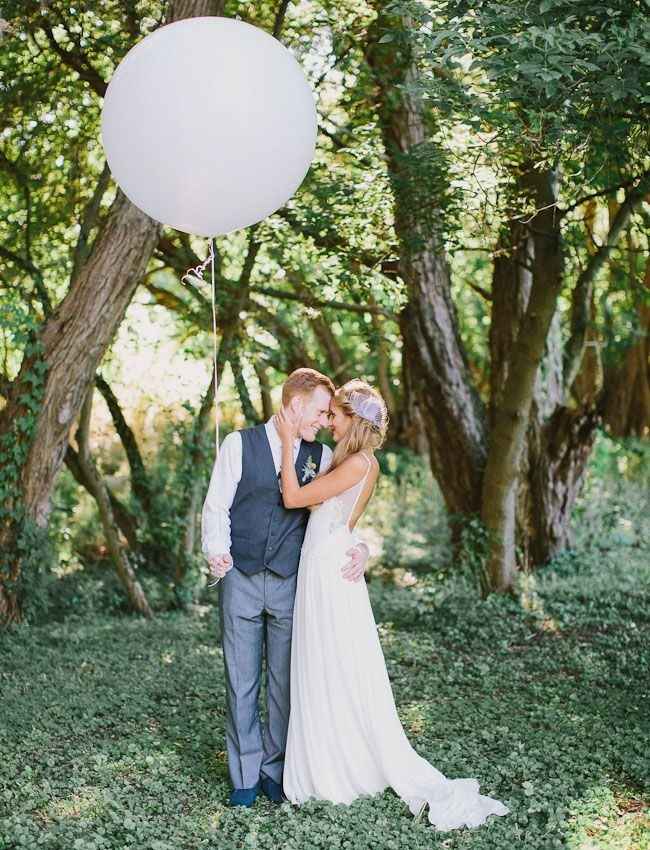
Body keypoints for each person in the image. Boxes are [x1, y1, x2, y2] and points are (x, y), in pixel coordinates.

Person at [274, 378, 511, 831]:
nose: (329, 423)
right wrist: (362, 547)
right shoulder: (358, 463)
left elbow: (293, 498)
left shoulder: (358, 463)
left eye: (335, 416)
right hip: (328, 563)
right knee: (332, 664)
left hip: (327, 573)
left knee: (330, 664)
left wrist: (287, 443)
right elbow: (344, 520)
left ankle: (336, 768)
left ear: (353, 421)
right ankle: (336, 754)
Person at [201, 368, 370, 808]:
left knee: (283, 682)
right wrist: (216, 550)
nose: (323, 420)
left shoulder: (325, 453)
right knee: (241, 681)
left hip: (291, 583)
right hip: (240, 578)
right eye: (319, 411)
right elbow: (217, 505)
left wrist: (363, 547)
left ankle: (275, 771)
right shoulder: (239, 444)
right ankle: (243, 777)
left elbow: (341, 510)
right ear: (295, 404)